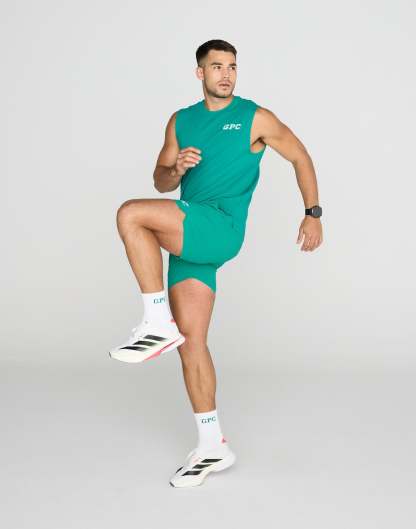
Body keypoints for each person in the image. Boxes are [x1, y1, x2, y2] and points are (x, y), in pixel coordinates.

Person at [108, 39, 323, 488]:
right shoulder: (181, 121)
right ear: (199, 73)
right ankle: (212, 446)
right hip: (190, 234)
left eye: (232, 67)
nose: (226, 74)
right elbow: (161, 181)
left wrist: (312, 213)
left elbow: (300, 155)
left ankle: (155, 319)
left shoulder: (254, 117)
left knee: (130, 214)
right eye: (217, 67)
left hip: (220, 225)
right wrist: (177, 169)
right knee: (191, 345)